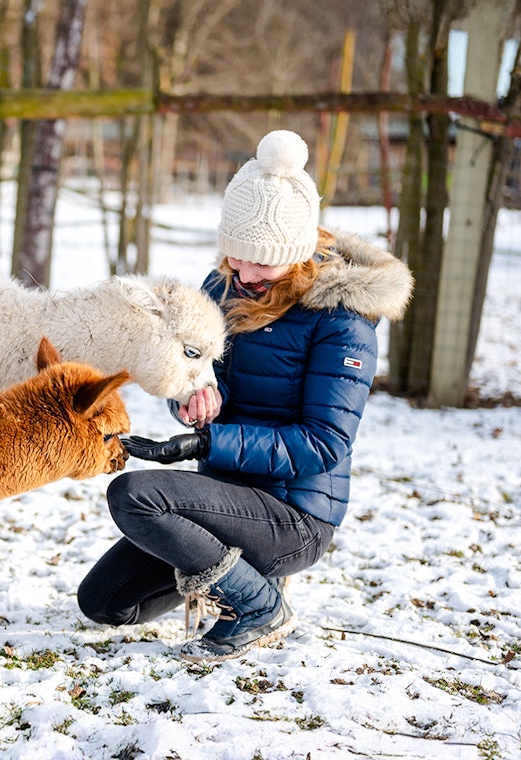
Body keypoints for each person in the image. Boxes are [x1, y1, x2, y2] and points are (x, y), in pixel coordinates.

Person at [77, 129, 414, 663]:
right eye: (236, 255)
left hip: (294, 516)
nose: (246, 272)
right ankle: (243, 580)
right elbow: (201, 375)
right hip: (224, 498)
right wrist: (194, 401)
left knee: (135, 496)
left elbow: (325, 443)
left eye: (263, 261)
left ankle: (259, 606)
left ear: (297, 253)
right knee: (104, 604)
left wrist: (206, 445)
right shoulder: (222, 288)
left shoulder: (342, 320)